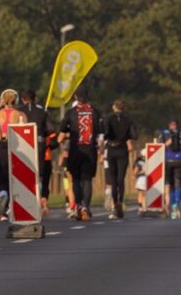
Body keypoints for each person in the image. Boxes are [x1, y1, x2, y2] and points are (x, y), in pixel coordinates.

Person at [58, 87, 101, 222]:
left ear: (75, 97)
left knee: (76, 179)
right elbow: (101, 132)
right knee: (87, 180)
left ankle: (78, 206)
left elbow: (61, 134)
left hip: (75, 150)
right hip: (90, 150)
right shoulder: (95, 112)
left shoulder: (70, 113)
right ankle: (86, 207)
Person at [0, 89, 27, 220]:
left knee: (1, 176)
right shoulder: (20, 114)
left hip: (1, 146)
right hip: (16, 146)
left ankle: (2, 202)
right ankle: (14, 207)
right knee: (14, 177)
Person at [100, 100, 136, 219]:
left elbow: (104, 133)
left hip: (111, 149)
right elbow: (134, 135)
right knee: (121, 178)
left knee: (113, 179)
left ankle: (115, 204)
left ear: (114, 107)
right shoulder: (129, 119)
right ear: (123, 108)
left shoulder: (108, 118)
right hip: (122, 149)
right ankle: (120, 200)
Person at [19, 90, 53, 215]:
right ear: (35, 99)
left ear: (23, 99)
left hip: (23, 144)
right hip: (39, 144)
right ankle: (41, 201)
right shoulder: (41, 111)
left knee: (25, 173)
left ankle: (27, 202)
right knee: (39, 173)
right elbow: (50, 129)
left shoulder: (19, 111)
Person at [164, 121, 181, 219]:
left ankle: (170, 203)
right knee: (178, 181)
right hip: (180, 159)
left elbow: (161, 146)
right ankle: (177, 203)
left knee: (169, 183)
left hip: (168, 160)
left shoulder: (165, 133)